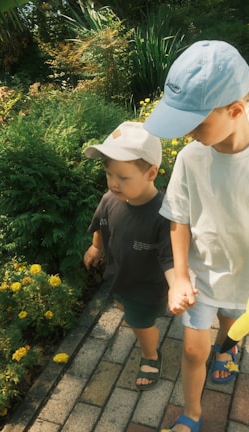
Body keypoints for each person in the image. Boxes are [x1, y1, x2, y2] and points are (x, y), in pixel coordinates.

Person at [144, 40, 249, 432]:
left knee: (232, 326)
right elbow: (178, 218)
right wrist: (180, 274)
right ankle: (193, 414)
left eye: (195, 124)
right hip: (200, 275)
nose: (186, 135)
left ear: (235, 110)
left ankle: (227, 351)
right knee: (193, 349)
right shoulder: (191, 158)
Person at [83, 121, 174, 391]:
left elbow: (172, 255)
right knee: (126, 307)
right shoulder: (109, 199)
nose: (113, 183)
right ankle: (137, 318)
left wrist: (177, 285)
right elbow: (99, 224)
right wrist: (96, 247)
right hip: (119, 275)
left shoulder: (166, 214)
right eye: (109, 174)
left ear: (151, 173)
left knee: (141, 322)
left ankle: (150, 355)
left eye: (123, 177)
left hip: (148, 285)